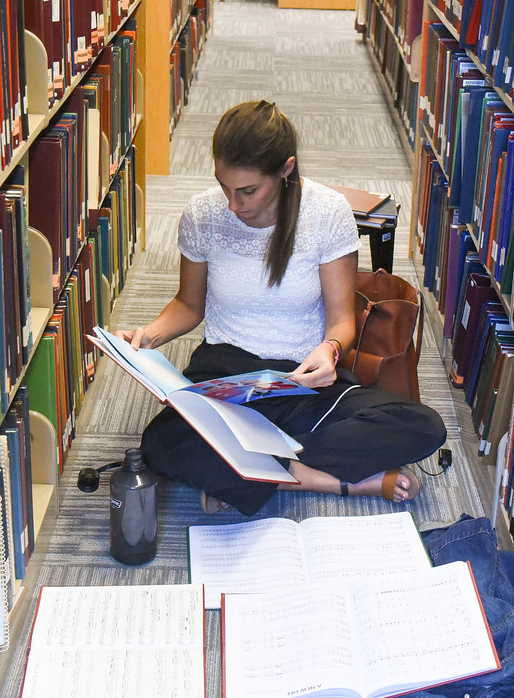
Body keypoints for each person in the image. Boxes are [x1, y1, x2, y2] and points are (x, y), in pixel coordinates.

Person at [119, 101, 446, 516]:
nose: (234, 204)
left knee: (423, 426)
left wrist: (329, 350)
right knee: (158, 444)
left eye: (248, 191)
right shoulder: (202, 214)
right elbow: (188, 304)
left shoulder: (326, 214)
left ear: (286, 169)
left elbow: (343, 320)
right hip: (224, 378)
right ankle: (334, 481)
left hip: (299, 380)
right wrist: (147, 336)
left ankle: (253, 469)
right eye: (224, 187)